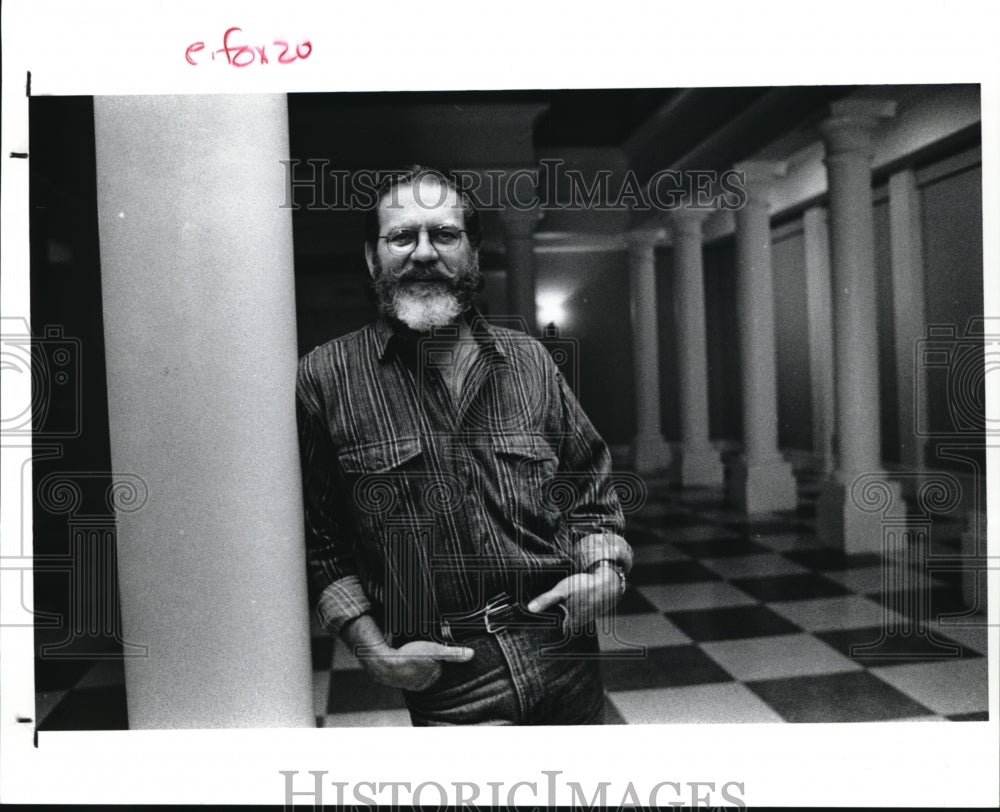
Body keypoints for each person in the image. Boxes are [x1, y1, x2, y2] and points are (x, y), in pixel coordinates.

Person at [296, 165, 632, 725]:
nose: (424, 253)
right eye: (402, 235)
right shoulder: (325, 378)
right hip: (450, 678)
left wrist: (605, 574)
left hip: (567, 654)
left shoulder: (528, 360)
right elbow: (320, 542)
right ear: (371, 257)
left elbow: (590, 492)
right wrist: (374, 651)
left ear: (472, 253)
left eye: (445, 235)